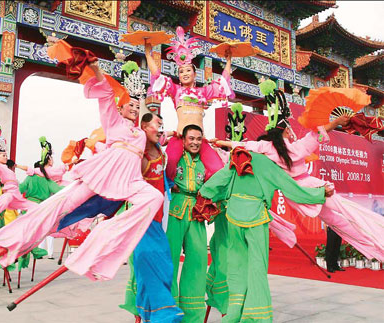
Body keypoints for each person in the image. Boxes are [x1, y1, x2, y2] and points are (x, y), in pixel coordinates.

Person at [0, 43, 163, 283]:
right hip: (100, 176)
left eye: (137, 105)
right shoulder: (113, 123)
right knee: (59, 206)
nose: (134, 108)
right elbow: (105, 95)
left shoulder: (141, 134)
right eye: (129, 105)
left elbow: (157, 139)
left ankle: (104, 236)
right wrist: (95, 68)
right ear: (121, 108)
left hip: (129, 181)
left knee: (155, 198)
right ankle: (16, 239)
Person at [215, 80, 384, 262]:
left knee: (336, 222)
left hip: (298, 195)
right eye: (288, 128)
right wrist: (336, 121)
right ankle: (378, 242)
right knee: (348, 212)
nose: (290, 131)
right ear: (284, 131)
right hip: (311, 187)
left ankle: (374, 249)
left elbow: (242, 145)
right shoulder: (296, 148)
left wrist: (219, 142)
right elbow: (317, 135)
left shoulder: (266, 148)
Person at [195, 147, 331, 322]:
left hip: (233, 215)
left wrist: (204, 196)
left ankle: (233, 312)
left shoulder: (239, 157)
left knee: (236, 266)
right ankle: (256, 316)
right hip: (255, 217)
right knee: (257, 268)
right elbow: (293, 189)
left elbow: (219, 180)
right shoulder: (269, 165)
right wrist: (320, 193)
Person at [145, 26, 233, 181]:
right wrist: (147, 53)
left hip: (200, 138)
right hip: (180, 137)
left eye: (188, 70)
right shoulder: (176, 90)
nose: (185, 74)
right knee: (170, 166)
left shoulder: (203, 92)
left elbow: (223, 83)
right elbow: (157, 76)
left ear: (194, 73)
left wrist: (228, 60)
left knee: (218, 169)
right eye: (181, 71)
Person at [120, 112, 183, 323]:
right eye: (157, 124)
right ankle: (163, 314)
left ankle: (149, 314)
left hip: (158, 219)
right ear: (144, 127)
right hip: (141, 220)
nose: (161, 129)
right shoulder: (136, 156)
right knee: (147, 265)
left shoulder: (158, 148)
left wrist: (179, 132)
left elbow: (167, 136)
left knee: (164, 267)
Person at [161, 123, 208, 322]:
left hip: (196, 212)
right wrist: (172, 134)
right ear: (184, 139)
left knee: (198, 261)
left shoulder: (205, 161)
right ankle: (166, 310)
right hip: (175, 209)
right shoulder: (173, 157)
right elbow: (155, 141)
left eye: (198, 139)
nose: (195, 143)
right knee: (169, 260)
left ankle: (193, 315)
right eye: (191, 138)